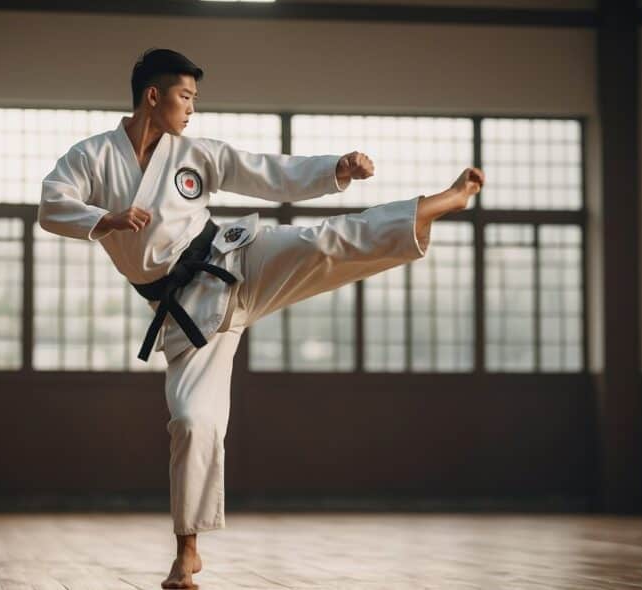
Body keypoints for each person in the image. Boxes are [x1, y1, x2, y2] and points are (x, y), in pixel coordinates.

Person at [38, 48, 485, 590]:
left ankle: (441, 201)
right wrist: (104, 218)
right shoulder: (92, 156)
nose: (191, 109)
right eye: (185, 97)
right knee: (191, 422)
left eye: (194, 99)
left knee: (326, 241)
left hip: (233, 260)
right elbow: (52, 203)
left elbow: (267, 172)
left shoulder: (195, 151)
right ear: (152, 97)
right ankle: (188, 552)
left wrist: (334, 170)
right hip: (188, 317)